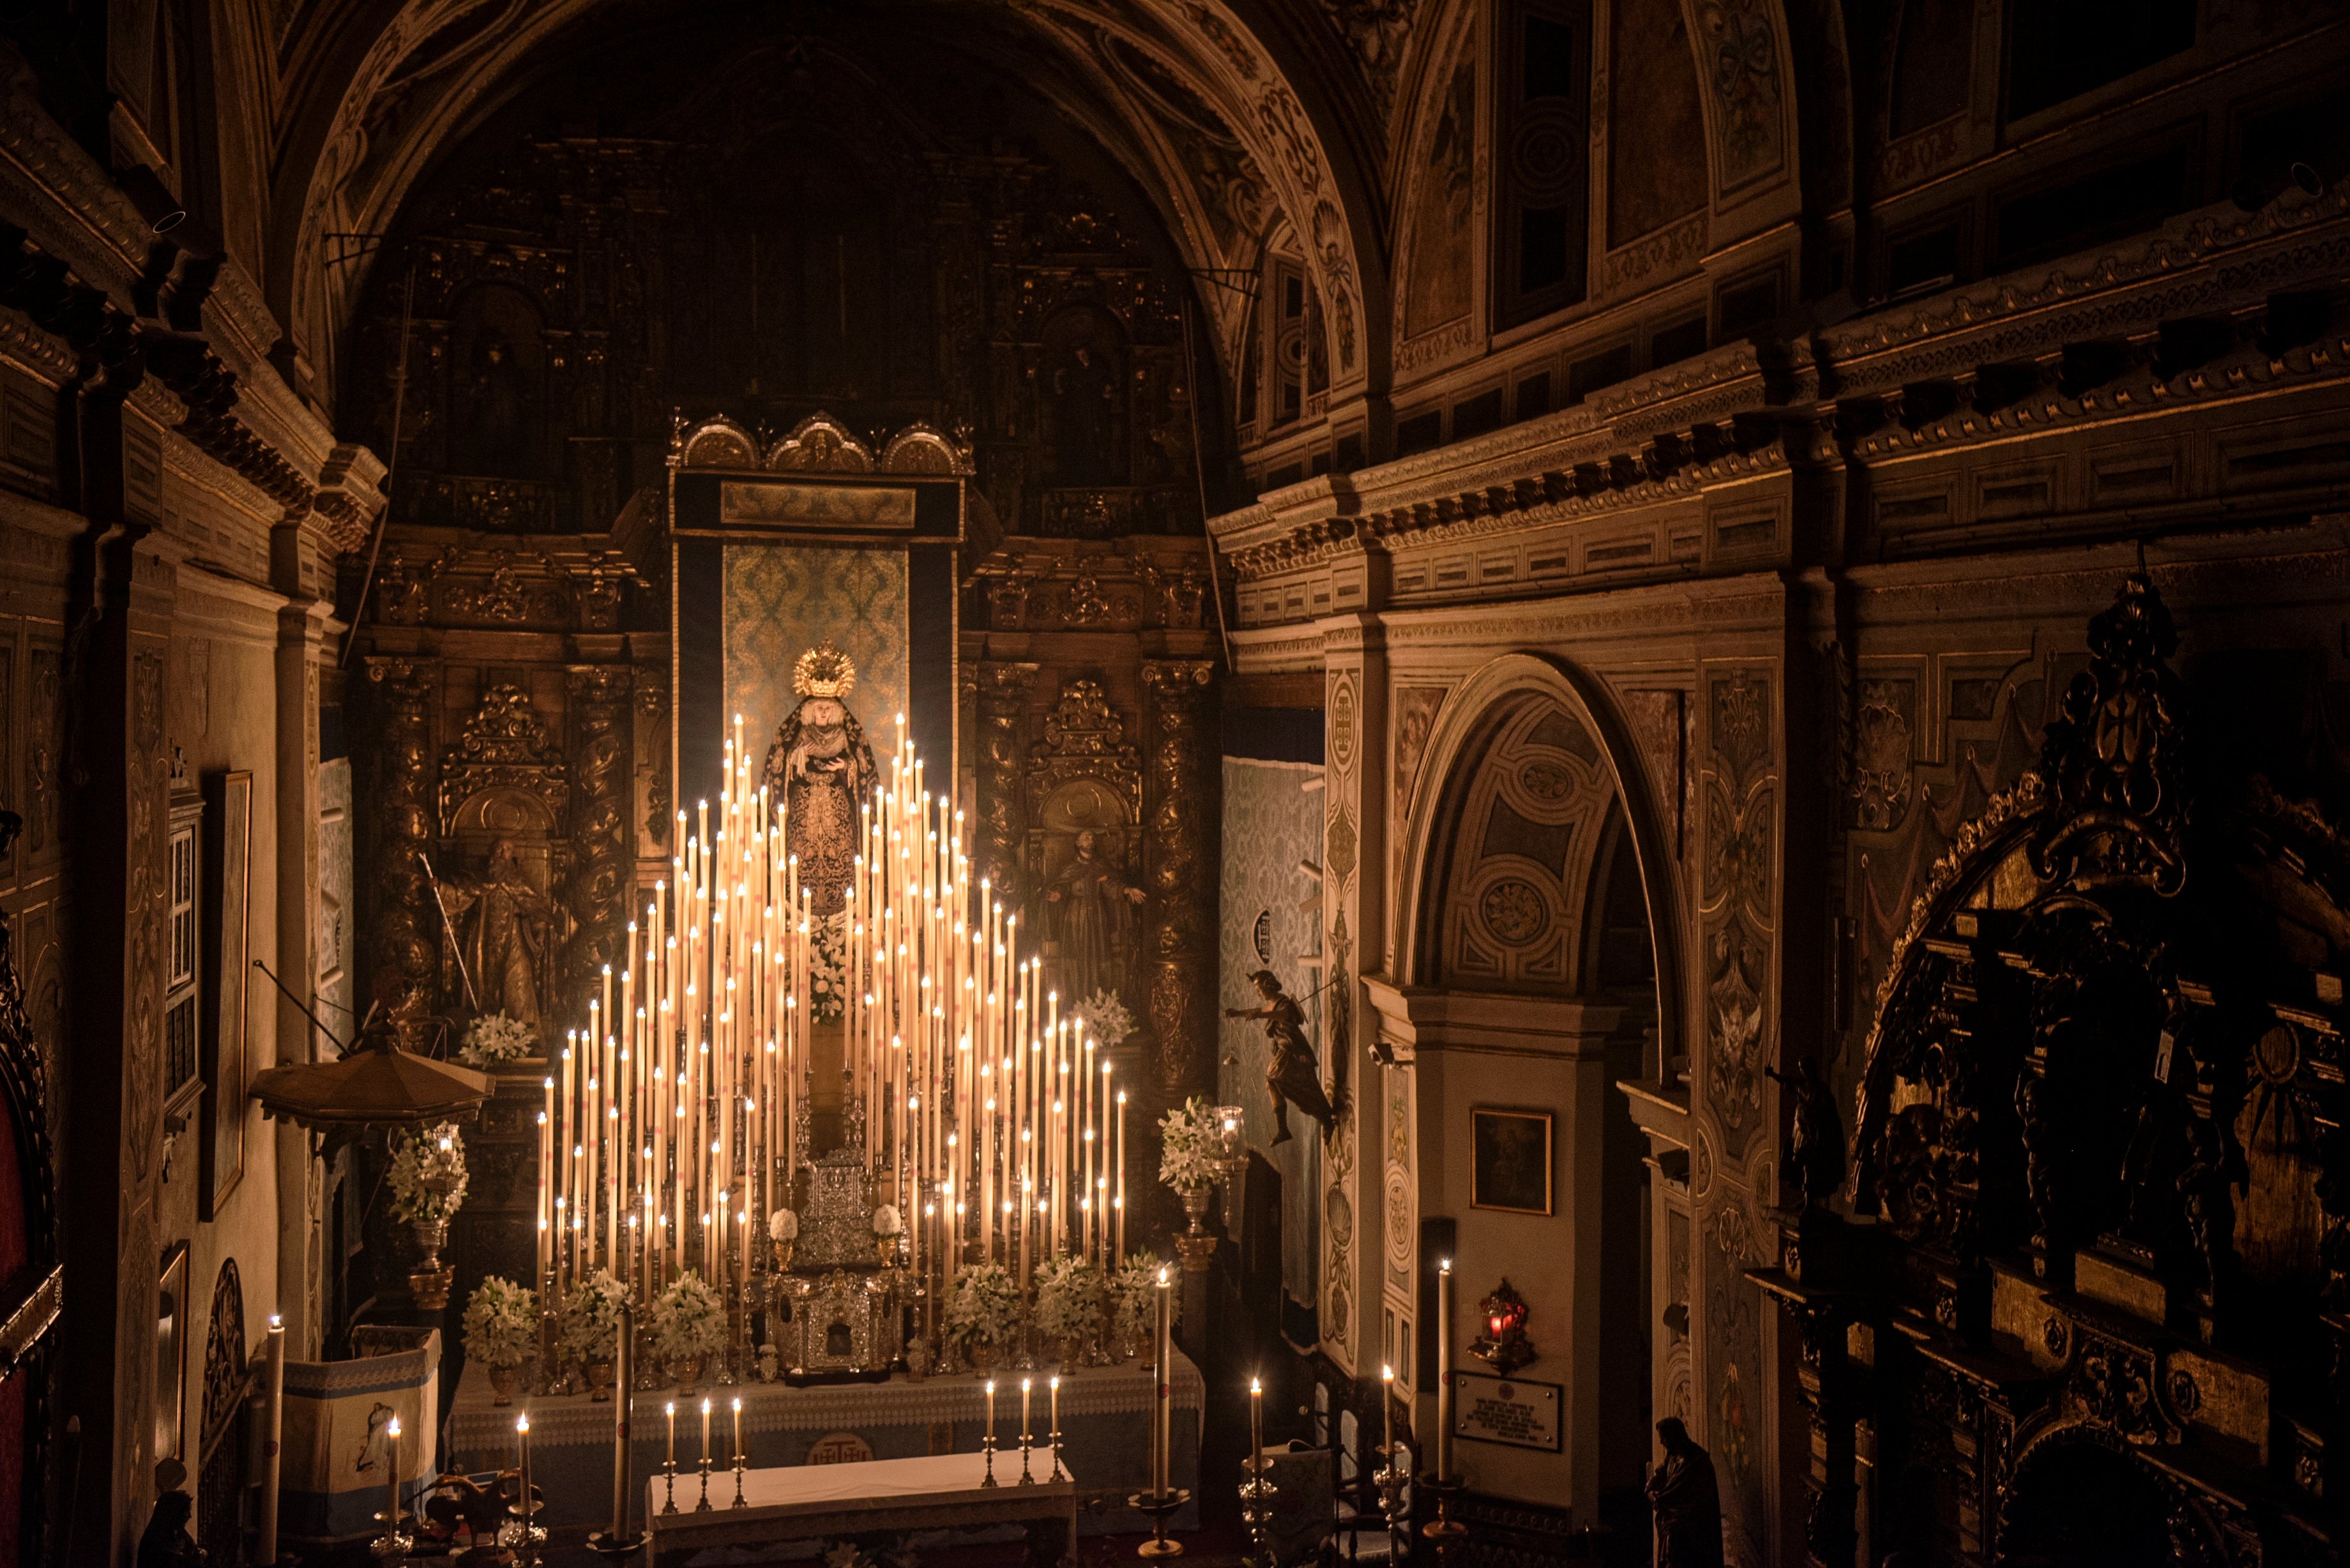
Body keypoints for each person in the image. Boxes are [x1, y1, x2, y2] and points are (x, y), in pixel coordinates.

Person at [761, 642, 877, 918]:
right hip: (805, 809)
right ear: (811, 710)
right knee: (800, 856)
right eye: (819, 708)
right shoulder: (798, 734)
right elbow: (779, 767)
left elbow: (863, 769)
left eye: (828, 708)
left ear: (835, 710)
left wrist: (846, 765)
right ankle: (799, 911)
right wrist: (798, 756)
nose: (824, 713)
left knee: (842, 858)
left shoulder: (845, 734)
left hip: (838, 813)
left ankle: (843, 909)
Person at [436, 838, 550, 1027]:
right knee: (481, 986)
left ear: (511, 855)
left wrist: (540, 931)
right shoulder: (479, 879)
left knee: (518, 985)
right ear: (491, 852)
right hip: (483, 937)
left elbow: (536, 906)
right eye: (498, 849)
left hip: (513, 938)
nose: (501, 854)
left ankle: (524, 1036)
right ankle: (482, 1034)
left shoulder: (518, 880)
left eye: (506, 850)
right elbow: (459, 897)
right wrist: (440, 887)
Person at [1225, 970, 1335, 1147]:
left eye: (1260, 988)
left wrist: (1262, 1015)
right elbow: (1258, 1010)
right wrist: (1237, 1013)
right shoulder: (1273, 1004)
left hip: (1292, 1051)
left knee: (1279, 1078)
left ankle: (1324, 1118)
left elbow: (1283, 1014)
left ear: (1269, 985)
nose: (1258, 993)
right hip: (1283, 1052)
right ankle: (1283, 1129)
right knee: (1272, 1084)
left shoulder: (1284, 1003)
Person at [1043, 829, 1144, 1002]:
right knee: (1075, 956)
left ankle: (1097, 1002)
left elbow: (1110, 886)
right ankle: (1074, 1000)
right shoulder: (1070, 868)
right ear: (1078, 844)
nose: (1091, 840)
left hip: (1097, 915)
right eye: (1086, 837)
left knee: (1098, 956)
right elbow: (1061, 885)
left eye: (1092, 837)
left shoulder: (1100, 867)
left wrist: (1127, 890)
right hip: (1075, 917)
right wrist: (1056, 894)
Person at [1646, 1417, 1724, 1568]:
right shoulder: (1672, 1458)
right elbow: (1652, 1483)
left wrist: (1678, 1514)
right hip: (1672, 1522)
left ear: (1674, 1436)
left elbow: (1703, 1501)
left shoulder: (1698, 1461)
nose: (1661, 1443)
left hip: (1693, 1528)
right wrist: (1653, 1496)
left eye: (1664, 1438)